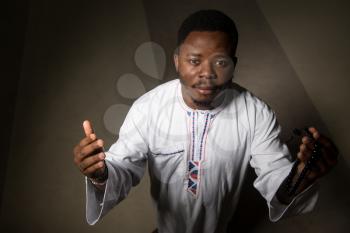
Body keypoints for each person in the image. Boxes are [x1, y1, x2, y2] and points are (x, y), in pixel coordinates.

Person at [72, 10, 338, 233]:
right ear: (177, 61)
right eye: (194, 60)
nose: (206, 74)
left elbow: (278, 181)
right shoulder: (149, 109)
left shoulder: (256, 113)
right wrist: (99, 173)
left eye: (220, 62)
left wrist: (302, 175)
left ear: (234, 64)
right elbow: (121, 167)